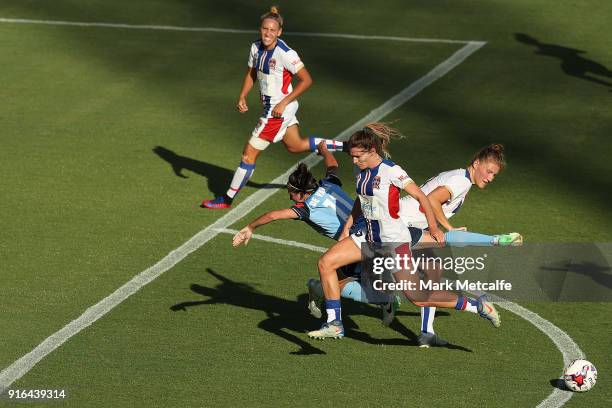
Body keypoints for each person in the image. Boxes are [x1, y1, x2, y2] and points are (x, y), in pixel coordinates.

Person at [307, 124, 502, 340]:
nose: (354, 161)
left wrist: (436, 228)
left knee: (418, 297)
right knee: (326, 263)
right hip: (368, 236)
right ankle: (335, 323)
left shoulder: (392, 171)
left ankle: (478, 306)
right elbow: (360, 201)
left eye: (357, 157)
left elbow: (422, 197)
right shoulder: (362, 172)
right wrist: (346, 229)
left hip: (393, 240)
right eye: (352, 157)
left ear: (371, 151)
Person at [201, 6, 345, 209]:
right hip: (274, 107)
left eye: (272, 30)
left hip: (278, 110)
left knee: (248, 154)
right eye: (264, 29)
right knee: (295, 145)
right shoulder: (255, 48)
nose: (267, 33)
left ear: (279, 32)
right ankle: (346, 146)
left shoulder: (286, 53)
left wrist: (284, 102)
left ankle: (226, 199)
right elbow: (252, 74)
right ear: (260, 29)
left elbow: (306, 80)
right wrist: (243, 95)